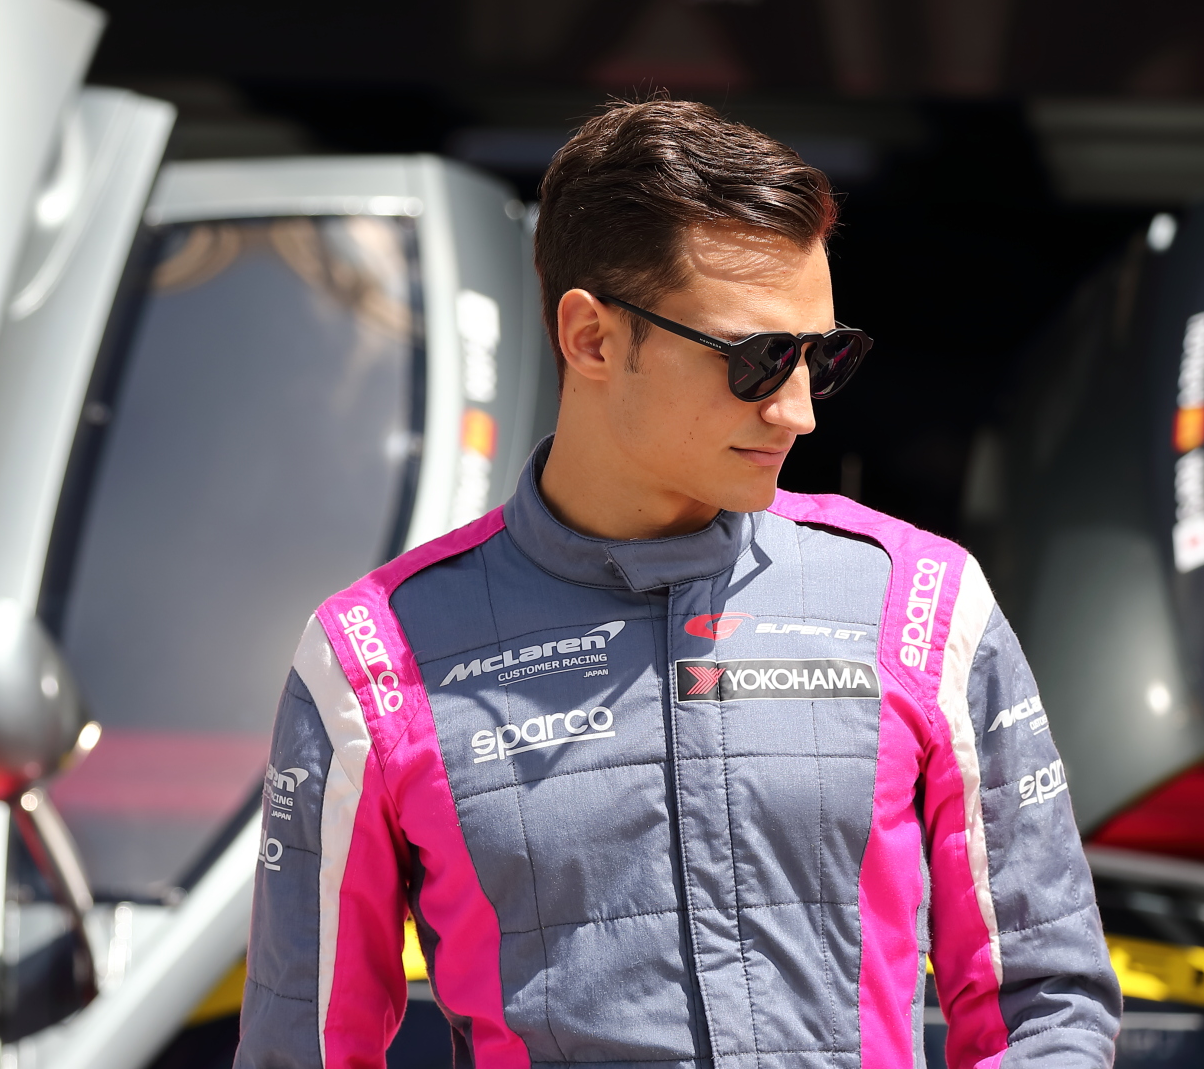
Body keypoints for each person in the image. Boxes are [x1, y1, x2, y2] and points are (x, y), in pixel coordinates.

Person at [234, 99, 1120, 1069]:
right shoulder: (372, 657)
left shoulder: (923, 604)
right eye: (759, 360)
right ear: (591, 338)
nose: (798, 411)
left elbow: (1048, 1006)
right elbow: (300, 1050)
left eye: (823, 356)